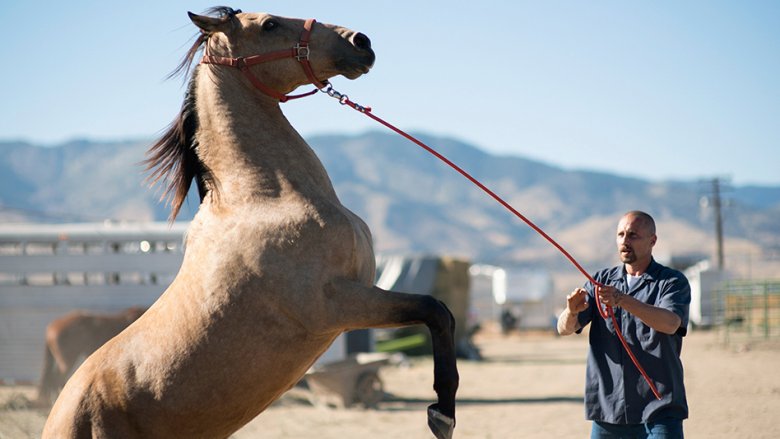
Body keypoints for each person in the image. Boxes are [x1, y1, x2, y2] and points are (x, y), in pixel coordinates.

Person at [557, 210, 691, 438]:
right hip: (609, 412)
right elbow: (563, 329)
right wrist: (571, 312)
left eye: (633, 235)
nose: (625, 241)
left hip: (659, 410)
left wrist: (622, 300)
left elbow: (670, 323)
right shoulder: (600, 282)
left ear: (653, 240)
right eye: (621, 235)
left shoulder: (672, 282)